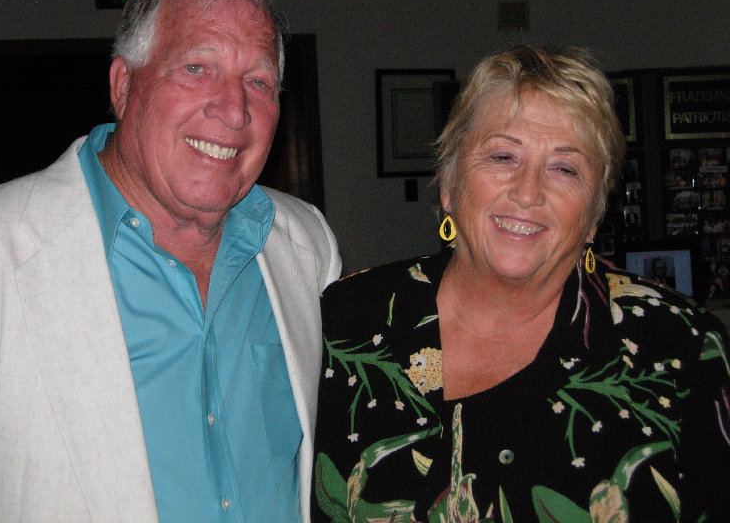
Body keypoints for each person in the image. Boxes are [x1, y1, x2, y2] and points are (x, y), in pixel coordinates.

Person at [0, 0, 341, 522]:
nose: (233, 110)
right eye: (197, 68)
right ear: (124, 86)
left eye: (259, 81)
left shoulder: (305, 245)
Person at [312, 46, 730, 522]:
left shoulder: (680, 349)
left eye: (565, 168)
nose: (528, 192)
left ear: (594, 212)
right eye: (503, 156)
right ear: (449, 183)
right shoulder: (344, 323)